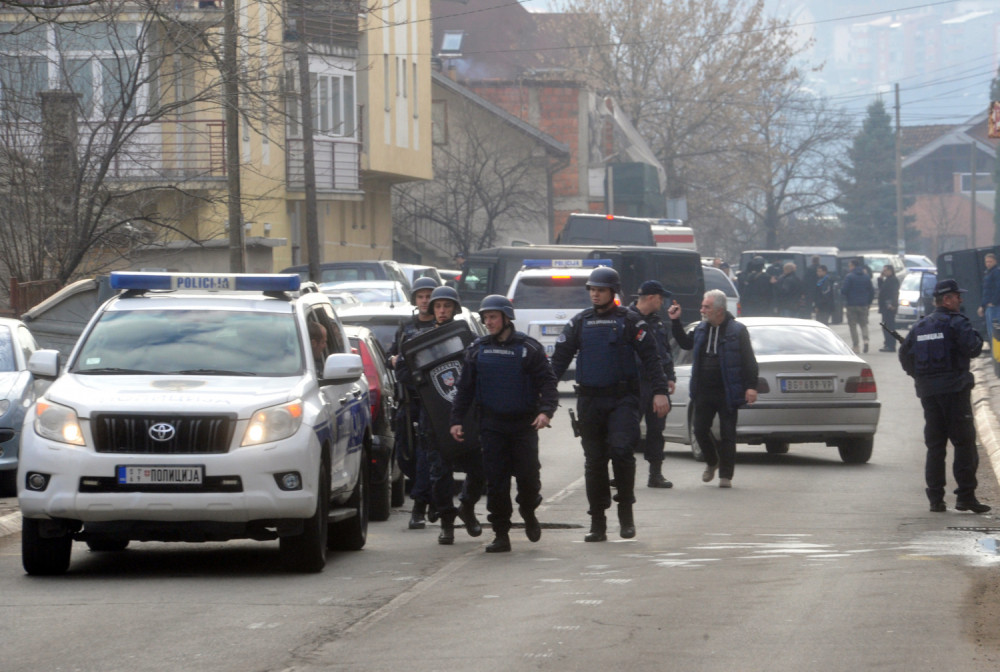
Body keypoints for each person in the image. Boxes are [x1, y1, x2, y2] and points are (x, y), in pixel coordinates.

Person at [549, 266, 670, 542]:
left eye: (600, 290)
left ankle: (626, 515)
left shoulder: (630, 321)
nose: (595, 294)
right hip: (590, 400)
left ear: (613, 292)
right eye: (592, 290)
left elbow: (652, 358)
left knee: (622, 451)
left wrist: (660, 391)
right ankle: (598, 523)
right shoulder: (580, 322)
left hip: (622, 399)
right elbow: (558, 361)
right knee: (594, 461)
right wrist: (544, 395)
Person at [449, 295, 559, 553]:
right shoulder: (477, 350)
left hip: (523, 426)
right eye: (485, 318)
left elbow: (547, 382)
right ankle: (501, 533)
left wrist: (546, 412)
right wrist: (456, 420)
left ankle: (528, 511)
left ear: (506, 318)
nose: (488, 322)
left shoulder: (528, 348)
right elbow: (464, 389)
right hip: (492, 425)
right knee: (496, 482)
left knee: (528, 478)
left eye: (493, 317)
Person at [898, 279, 990, 514]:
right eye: (957, 296)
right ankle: (965, 497)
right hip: (955, 391)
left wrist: (921, 377)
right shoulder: (957, 322)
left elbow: (905, 355)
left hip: (929, 393)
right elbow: (973, 348)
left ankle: (935, 499)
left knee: (935, 446)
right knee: (964, 444)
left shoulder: (920, 326)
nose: (960, 299)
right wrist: (976, 334)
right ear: (947, 299)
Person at [668, 289, 758, 488]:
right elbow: (685, 343)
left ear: (719, 310)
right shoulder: (701, 328)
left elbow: (749, 360)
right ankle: (712, 460)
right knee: (699, 430)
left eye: (706, 307)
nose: (702, 310)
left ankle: (726, 476)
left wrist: (751, 386)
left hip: (727, 391)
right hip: (703, 390)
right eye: (702, 306)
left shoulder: (737, 331)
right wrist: (675, 321)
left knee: (728, 434)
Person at [424, 285, 486, 544]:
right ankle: (447, 522)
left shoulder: (469, 338)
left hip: (468, 417)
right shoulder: (421, 340)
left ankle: (467, 507)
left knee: (479, 470)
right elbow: (406, 373)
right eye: (438, 306)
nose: (442, 311)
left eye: (446, 306)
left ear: (455, 309)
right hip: (435, 419)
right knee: (440, 475)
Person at [389, 276, 440, 529]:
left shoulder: (444, 327)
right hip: (409, 402)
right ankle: (430, 497)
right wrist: (394, 360)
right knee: (406, 455)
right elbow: (392, 356)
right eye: (421, 296)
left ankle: (422, 505)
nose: (425, 301)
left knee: (426, 454)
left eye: (429, 296)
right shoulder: (406, 328)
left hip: (435, 403)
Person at [626, 280, 676, 488]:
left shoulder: (657, 322)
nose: (662, 302)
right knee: (628, 429)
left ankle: (655, 474)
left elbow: (665, 352)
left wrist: (670, 376)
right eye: (660, 298)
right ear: (651, 297)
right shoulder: (626, 319)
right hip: (633, 384)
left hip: (656, 384)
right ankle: (622, 472)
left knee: (656, 429)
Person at [841, 258, 874, 354]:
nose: (849, 267)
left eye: (849, 266)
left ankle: (856, 346)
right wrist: (869, 302)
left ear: (853, 266)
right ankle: (866, 340)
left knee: (853, 325)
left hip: (851, 304)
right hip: (863, 304)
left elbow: (844, 290)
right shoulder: (866, 277)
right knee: (864, 324)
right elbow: (871, 291)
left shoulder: (849, 277)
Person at [978, 253, 1000, 343]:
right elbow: (986, 292)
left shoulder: (996, 272)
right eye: (987, 262)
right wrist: (982, 306)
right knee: (992, 332)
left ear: (995, 261)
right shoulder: (988, 273)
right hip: (989, 306)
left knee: (995, 332)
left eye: (990, 261)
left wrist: (994, 302)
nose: (988, 263)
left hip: (995, 306)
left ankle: (997, 350)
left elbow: (998, 288)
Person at [877, 264, 900, 352]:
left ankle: (891, 345)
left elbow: (895, 293)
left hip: (889, 306)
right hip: (885, 306)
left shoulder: (893, 280)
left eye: (885, 270)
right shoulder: (887, 280)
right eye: (883, 271)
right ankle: (887, 344)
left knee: (889, 326)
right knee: (885, 326)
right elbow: (882, 290)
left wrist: (893, 304)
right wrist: (880, 279)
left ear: (890, 271)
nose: (884, 272)